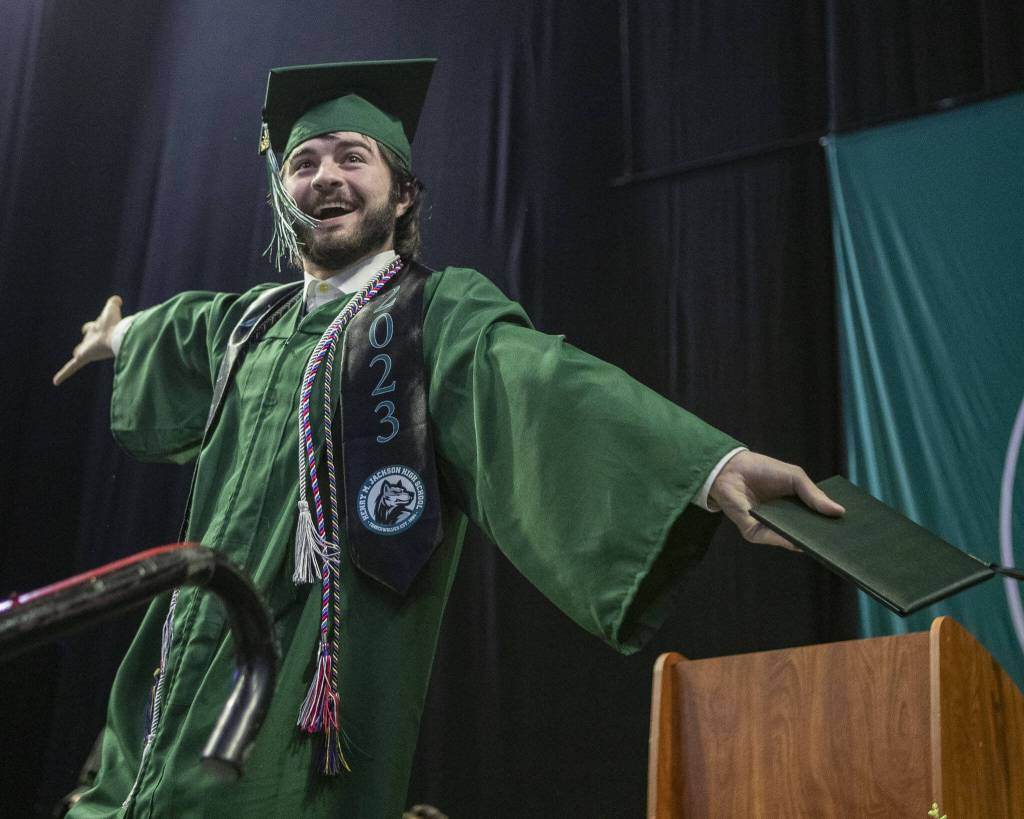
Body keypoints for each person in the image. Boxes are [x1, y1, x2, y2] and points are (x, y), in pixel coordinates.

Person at [54, 59, 843, 817]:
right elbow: (172, 328)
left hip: (290, 702)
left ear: (401, 194)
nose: (323, 174)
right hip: (169, 690)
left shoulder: (429, 319)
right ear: (281, 196)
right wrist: (117, 335)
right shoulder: (247, 324)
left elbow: (539, 382)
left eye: (352, 157)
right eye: (302, 162)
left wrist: (710, 465)